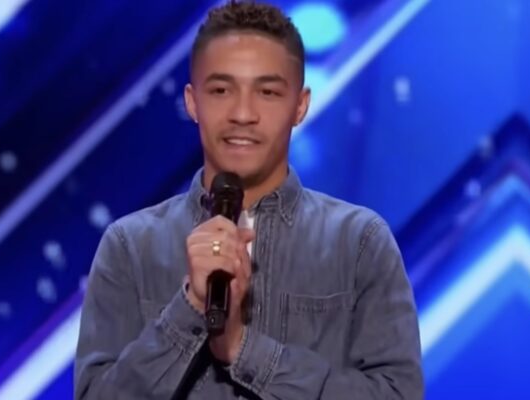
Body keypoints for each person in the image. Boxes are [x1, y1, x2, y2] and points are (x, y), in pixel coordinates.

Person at [74, 1, 423, 399]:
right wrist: (190, 308)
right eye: (221, 90)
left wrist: (244, 349)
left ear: (300, 105)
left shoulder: (359, 242)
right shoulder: (130, 247)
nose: (242, 113)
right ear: (192, 102)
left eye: (267, 92)